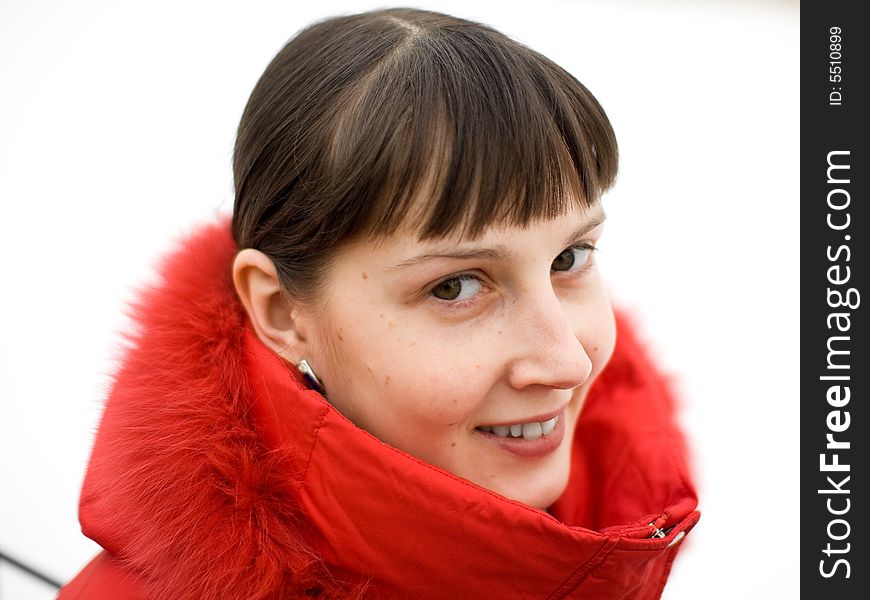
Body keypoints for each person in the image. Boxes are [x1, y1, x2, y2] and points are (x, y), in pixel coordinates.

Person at [59, 8, 698, 599]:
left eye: (569, 259)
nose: (567, 363)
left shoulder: (610, 517)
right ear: (283, 313)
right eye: (456, 285)